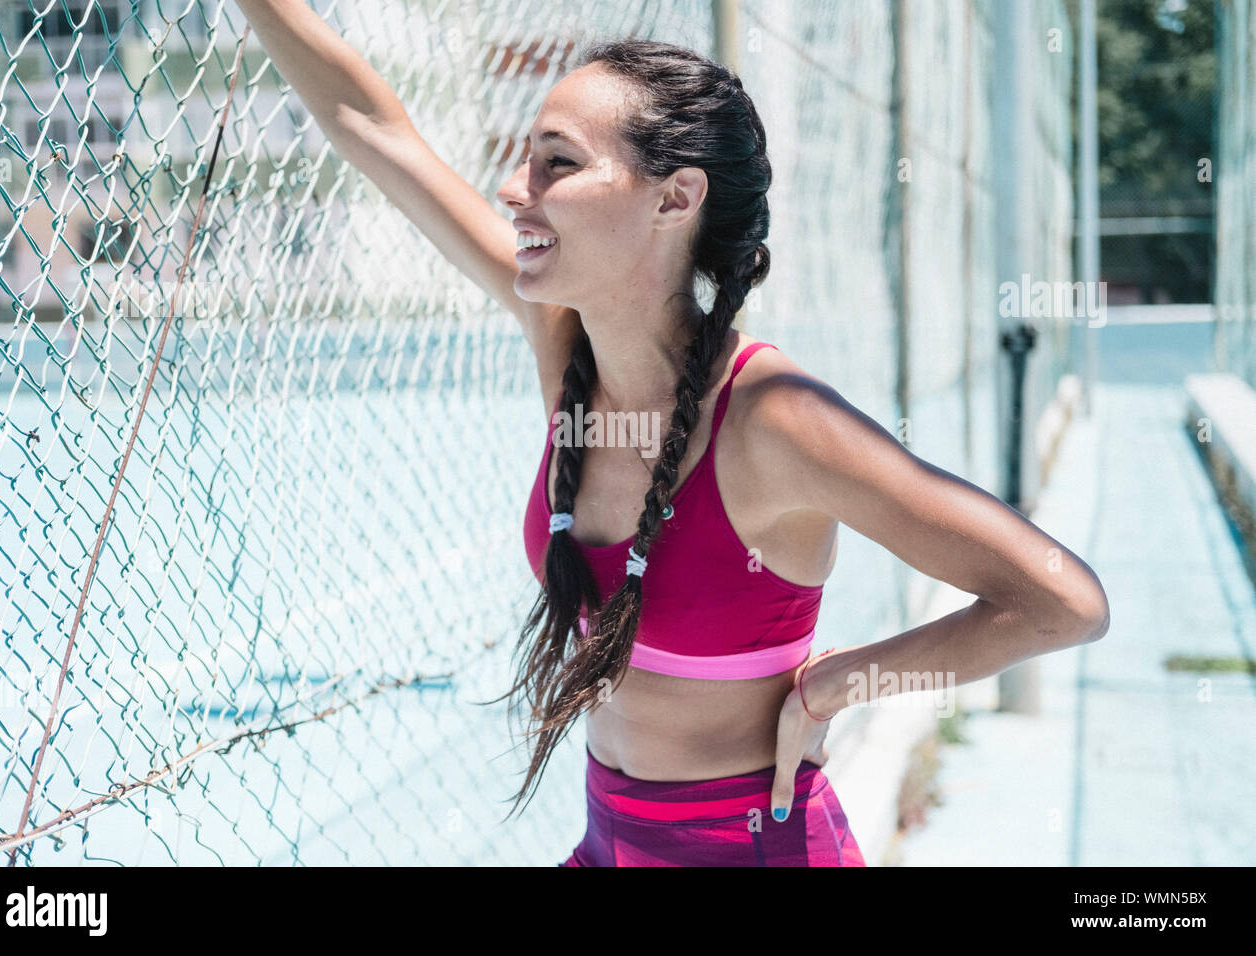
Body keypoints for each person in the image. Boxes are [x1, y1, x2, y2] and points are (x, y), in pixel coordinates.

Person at [235, 4, 1112, 866]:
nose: (514, 189)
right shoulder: (565, 344)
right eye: (525, 160)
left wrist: (845, 684)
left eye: (556, 164)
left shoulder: (775, 420)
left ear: (676, 197)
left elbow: (1059, 603)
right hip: (609, 838)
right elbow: (369, 123)